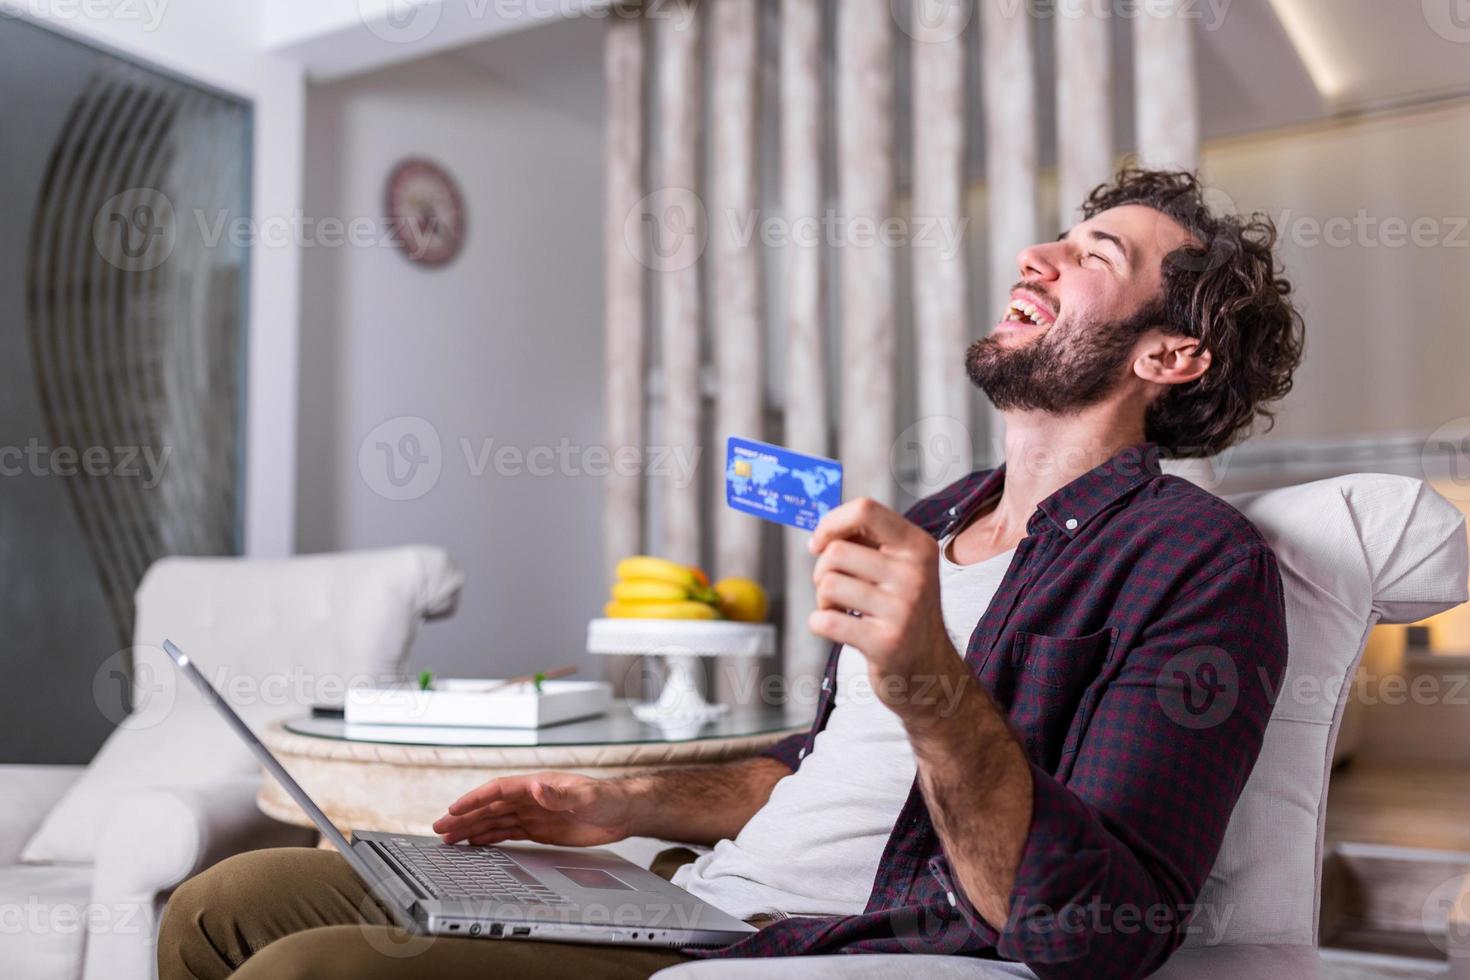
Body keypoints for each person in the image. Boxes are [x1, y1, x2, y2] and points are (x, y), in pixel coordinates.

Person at [158, 167, 1304, 980]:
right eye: (1056, 236)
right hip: (683, 886)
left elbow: (1089, 930)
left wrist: (929, 683)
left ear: (1171, 354)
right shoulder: (936, 516)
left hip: (788, 937)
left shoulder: (1194, 563)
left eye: (1094, 253)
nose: (1034, 254)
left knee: (304, 967)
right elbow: (811, 771)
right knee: (218, 904)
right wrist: (620, 803)